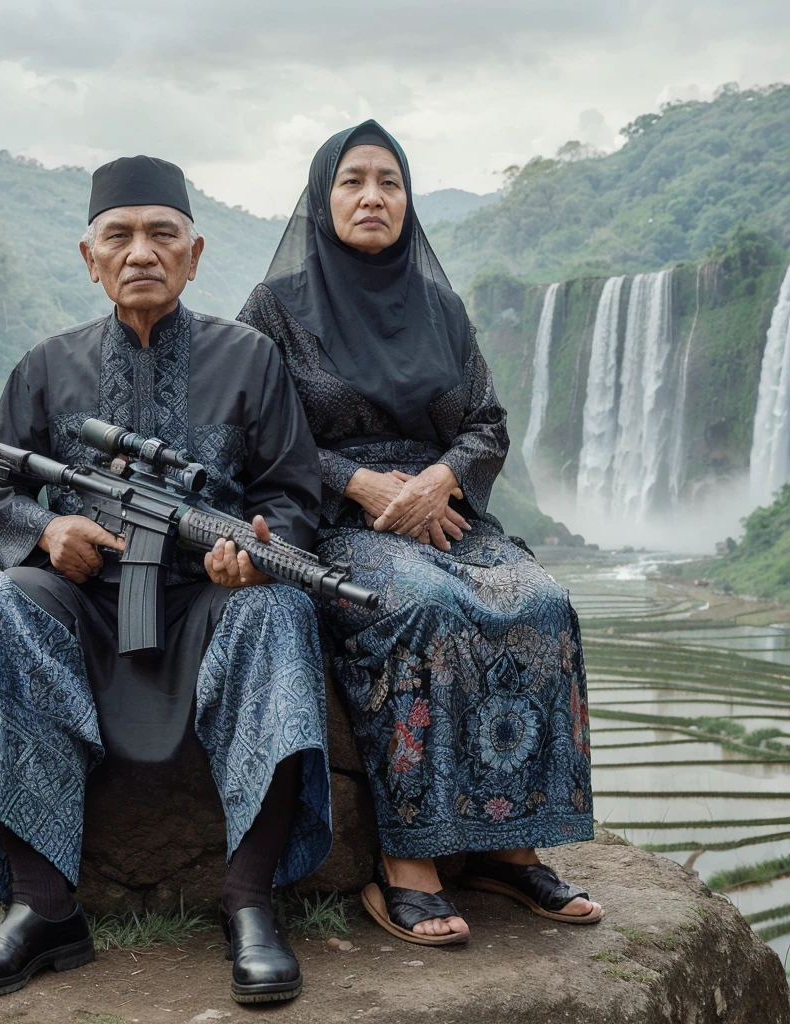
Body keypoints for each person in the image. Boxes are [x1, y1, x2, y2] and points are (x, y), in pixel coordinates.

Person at [0, 155, 331, 1004]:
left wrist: (257, 552)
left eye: (162, 234)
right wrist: (48, 529)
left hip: (206, 602)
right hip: (79, 603)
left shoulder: (251, 360)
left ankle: (250, 903)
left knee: (282, 612)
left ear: (194, 253)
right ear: (89, 257)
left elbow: (294, 497)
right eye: (120, 235)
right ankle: (42, 910)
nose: (140, 252)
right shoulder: (45, 366)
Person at [237, 121, 601, 947]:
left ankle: (511, 848)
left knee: (541, 602)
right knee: (425, 607)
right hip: (333, 519)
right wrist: (357, 482)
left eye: (390, 183)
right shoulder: (276, 309)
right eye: (353, 181)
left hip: (444, 513)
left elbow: (486, 423)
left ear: (407, 199)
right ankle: (407, 864)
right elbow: (251, 425)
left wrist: (441, 479)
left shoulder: (440, 305)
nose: (373, 197)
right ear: (323, 199)